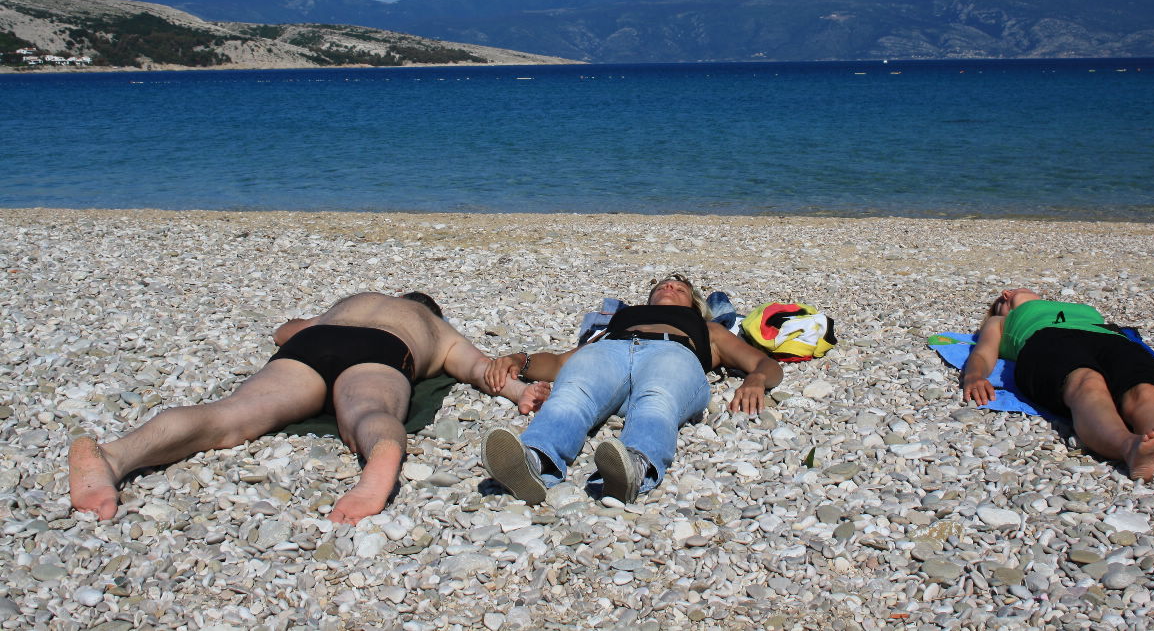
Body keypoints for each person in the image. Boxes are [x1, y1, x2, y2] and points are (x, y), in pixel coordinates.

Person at [70, 291, 549, 523]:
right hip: (383, 348)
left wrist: (312, 324)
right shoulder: (435, 327)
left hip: (317, 339)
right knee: (368, 413)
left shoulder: (354, 300)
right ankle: (379, 452)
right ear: (431, 309)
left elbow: (285, 332)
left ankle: (113, 456)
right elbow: (483, 370)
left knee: (227, 416)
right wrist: (518, 394)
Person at [481, 274, 784, 504]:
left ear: (694, 306)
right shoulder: (615, 325)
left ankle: (634, 466)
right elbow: (560, 363)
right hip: (610, 350)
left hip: (673, 352)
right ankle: (534, 459)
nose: (670, 287)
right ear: (649, 299)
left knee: (658, 401)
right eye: (663, 286)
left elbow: (765, 364)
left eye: (680, 289)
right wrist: (521, 360)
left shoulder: (708, 329)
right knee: (572, 393)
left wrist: (756, 378)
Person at [961, 288, 1154, 488]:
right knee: (1086, 383)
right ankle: (1130, 447)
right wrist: (974, 375)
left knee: (1145, 389)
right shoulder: (1002, 320)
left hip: (1111, 338)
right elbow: (983, 351)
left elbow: (1149, 357)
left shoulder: (1082, 312)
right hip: (1047, 339)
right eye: (1004, 298)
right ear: (1006, 297)